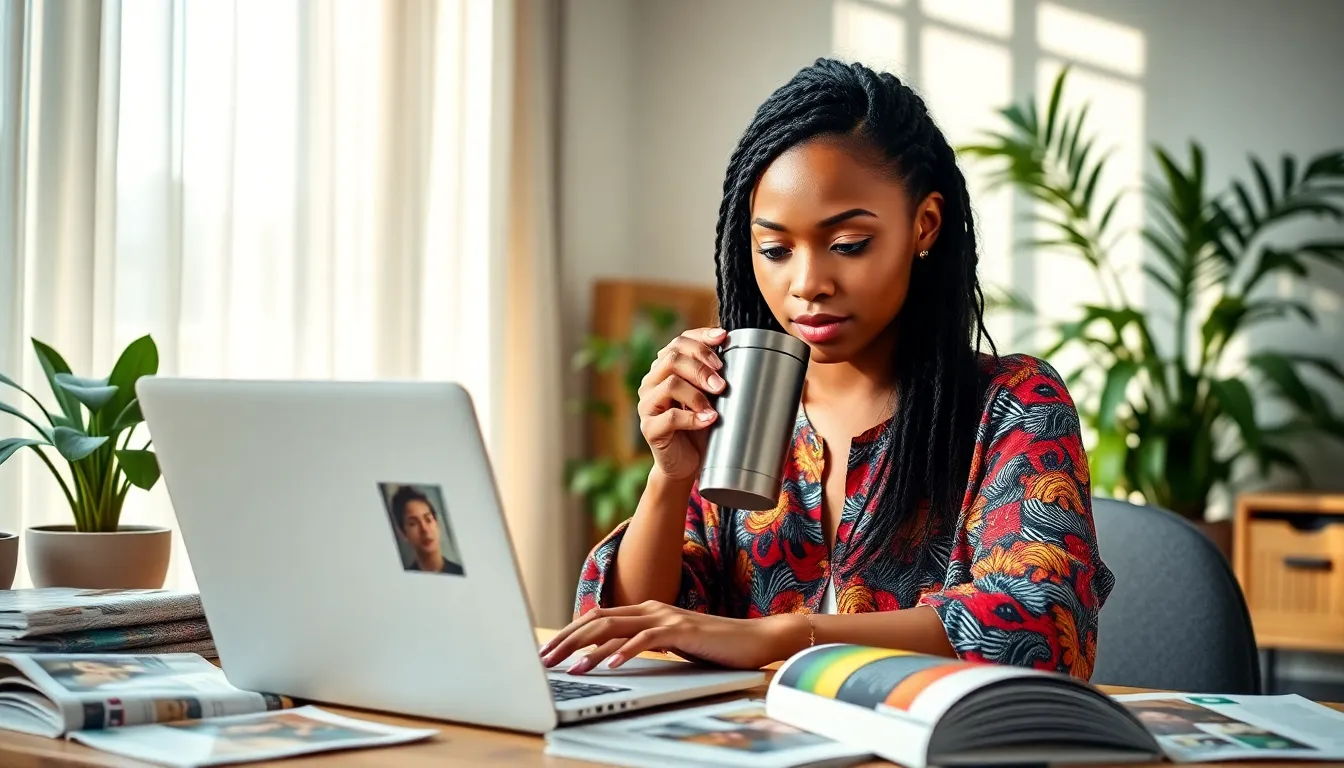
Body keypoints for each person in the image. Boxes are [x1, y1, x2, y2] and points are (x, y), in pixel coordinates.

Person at [540, 58, 1113, 680]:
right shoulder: (743, 406)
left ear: (924, 225)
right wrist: (669, 477)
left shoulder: (1013, 405)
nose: (808, 283)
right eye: (775, 250)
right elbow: (631, 633)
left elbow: (1040, 621)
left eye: (847, 245)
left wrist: (784, 636)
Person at [390, 486, 464, 575]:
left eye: (428, 520)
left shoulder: (459, 572)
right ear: (403, 533)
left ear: (437, 524)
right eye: (413, 523)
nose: (424, 529)